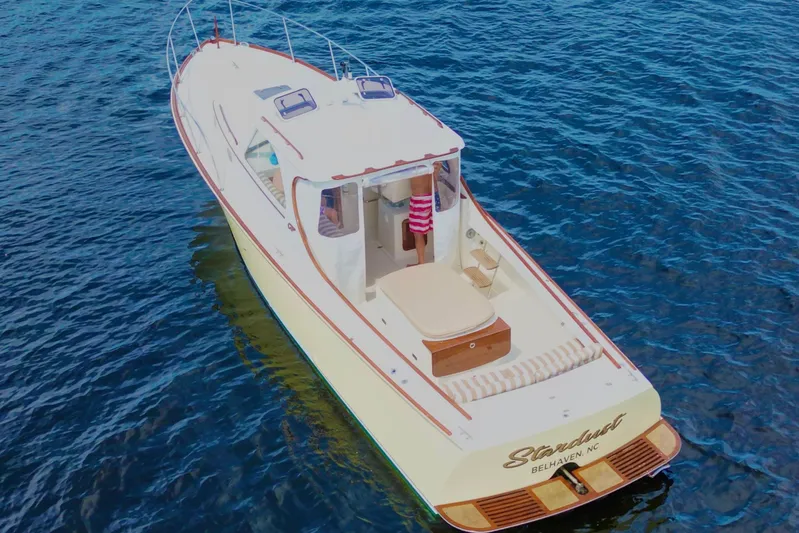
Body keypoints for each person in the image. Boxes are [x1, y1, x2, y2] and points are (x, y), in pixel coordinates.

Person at [407, 162, 441, 266]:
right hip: (434, 196)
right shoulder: (435, 159)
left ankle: (421, 263)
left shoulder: (414, 160)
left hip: (419, 199)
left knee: (418, 234)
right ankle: (440, 256)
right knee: (437, 228)